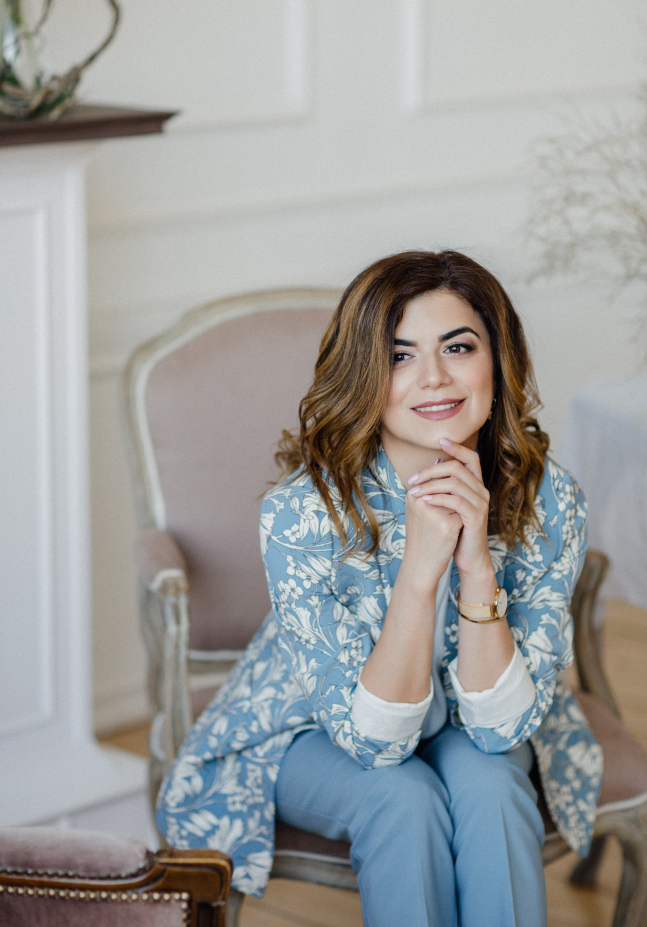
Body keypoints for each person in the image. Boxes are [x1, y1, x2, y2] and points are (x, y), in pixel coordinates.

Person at [157, 249, 603, 927]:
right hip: (310, 727)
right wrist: (419, 575)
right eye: (399, 356)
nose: (433, 377)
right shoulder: (301, 512)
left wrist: (476, 565)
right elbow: (376, 746)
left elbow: (501, 730)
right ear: (364, 374)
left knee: (492, 787)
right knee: (402, 798)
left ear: (497, 359)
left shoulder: (550, 500)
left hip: (473, 718)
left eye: (458, 347)